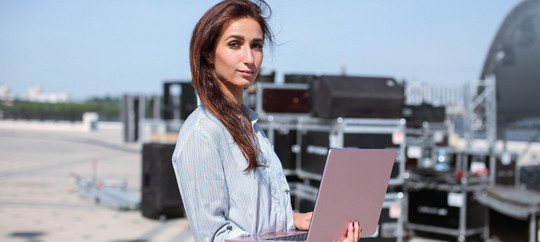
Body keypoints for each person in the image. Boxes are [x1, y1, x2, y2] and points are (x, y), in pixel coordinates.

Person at [171, 0, 361, 241]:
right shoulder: (203, 132)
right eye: (234, 44)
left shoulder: (249, 125)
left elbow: (250, 214)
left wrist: (296, 220)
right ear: (208, 54)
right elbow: (215, 236)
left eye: (257, 46)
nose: (249, 58)